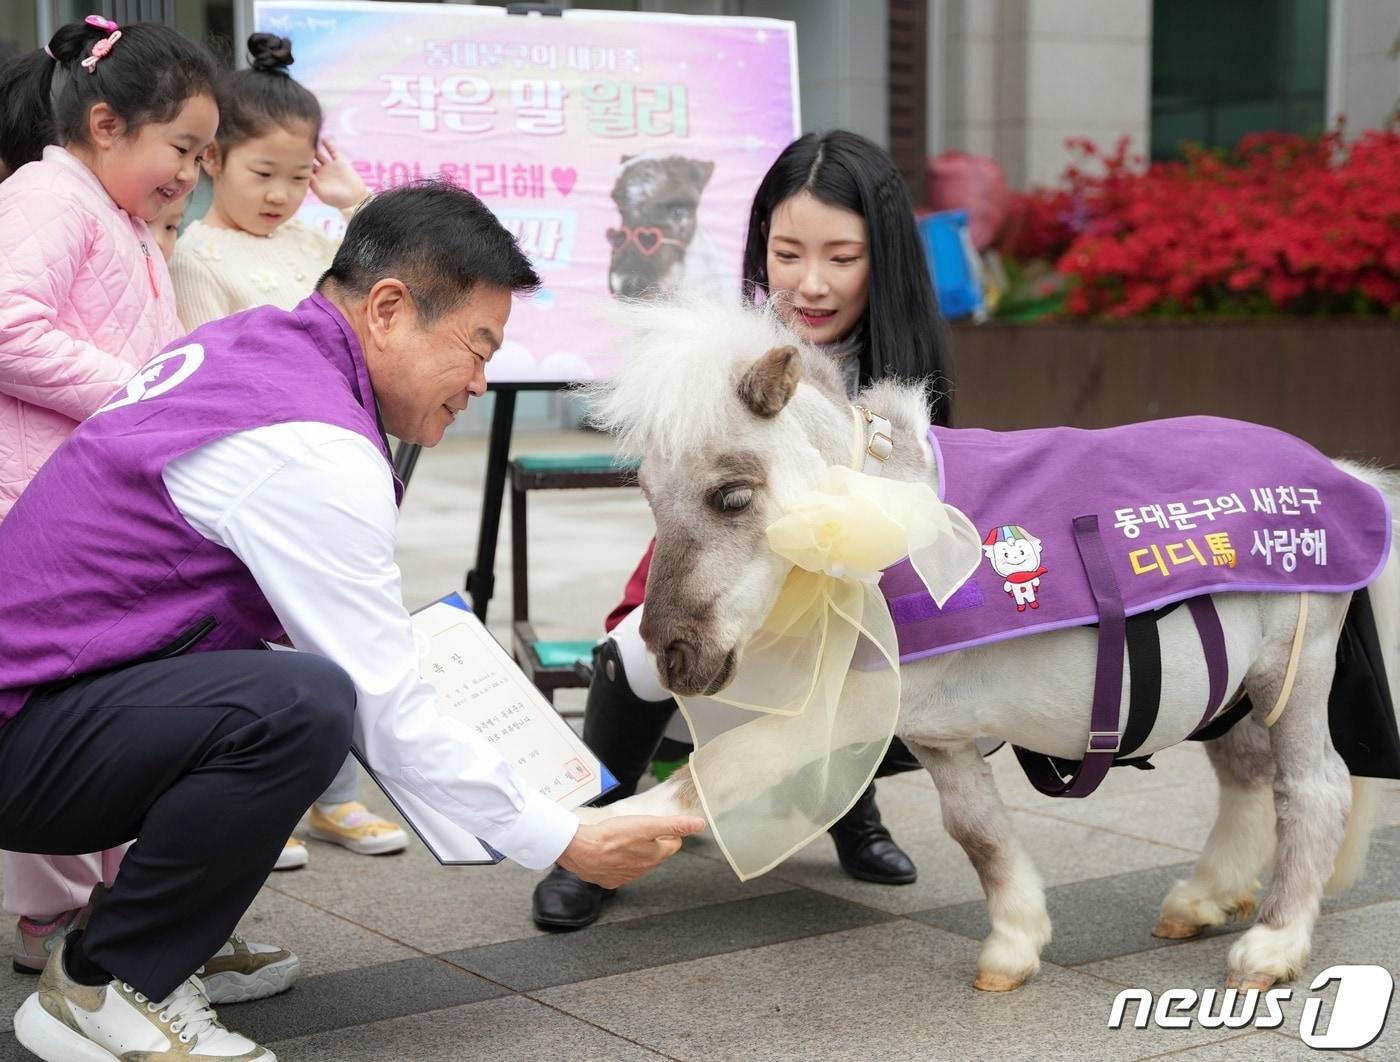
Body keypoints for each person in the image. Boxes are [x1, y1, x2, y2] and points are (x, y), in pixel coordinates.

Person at [0, 179, 704, 1062]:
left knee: (295, 689)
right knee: (301, 705)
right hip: (25, 737)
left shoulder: (252, 348)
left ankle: (159, 933)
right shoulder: (312, 442)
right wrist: (565, 837)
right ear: (388, 307)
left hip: (53, 698)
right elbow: (381, 704)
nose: (482, 382)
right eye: (477, 346)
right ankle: (104, 983)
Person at [533, 129, 953, 930]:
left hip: (850, 581)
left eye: (842, 256)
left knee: (870, 656)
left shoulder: (903, 363)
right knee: (639, 655)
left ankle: (852, 810)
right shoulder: (717, 354)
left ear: (885, 258)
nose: (811, 283)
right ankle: (599, 823)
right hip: (730, 563)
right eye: (788, 253)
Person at [0, 17, 296, 1007]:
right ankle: (67, 923)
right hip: (33, 517)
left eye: (203, 154)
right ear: (104, 123)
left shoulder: (117, 218)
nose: (192, 171)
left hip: (82, 515)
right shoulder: (52, 193)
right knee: (74, 712)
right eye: (181, 147)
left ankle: (130, 920)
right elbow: (5, 321)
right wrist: (138, 394)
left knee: (131, 704)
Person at [171, 32, 405, 871]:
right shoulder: (197, 255)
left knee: (331, 633)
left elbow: (399, 272)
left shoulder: (316, 245)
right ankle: (269, 805)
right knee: (261, 642)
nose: (279, 194)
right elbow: (208, 375)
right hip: (258, 480)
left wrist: (347, 199)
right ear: (212, 161)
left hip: (333, 468)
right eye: (259, 173)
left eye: (297, 176)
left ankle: (336, 800)